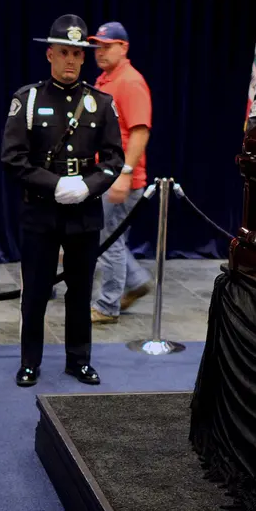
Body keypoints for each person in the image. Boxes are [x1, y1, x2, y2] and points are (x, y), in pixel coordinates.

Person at [1, 14, 125, 388]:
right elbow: (12, 159)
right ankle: (29, 362)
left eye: (77, 54)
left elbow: (114, 159)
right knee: (36, 291)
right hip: (40, 210)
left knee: (80, 290)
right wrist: (54, 183)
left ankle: (79, 360)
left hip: (83, 213)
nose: (71, 60)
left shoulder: (100, 103)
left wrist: (89, 186)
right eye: (64, 52)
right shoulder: (28, 99)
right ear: (50, 54)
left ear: (84, 58)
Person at [87, 21, 154, 324]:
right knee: (111, 238)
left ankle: (106, 306)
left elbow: (140, 132)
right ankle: (136, 281)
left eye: (106, 45)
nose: (99, 51)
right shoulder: (106, 80)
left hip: (120, 177)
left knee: (109, 241)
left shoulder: (130, 82)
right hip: (106, 174)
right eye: (97, 46)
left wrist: (125, 173)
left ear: (123, 47)